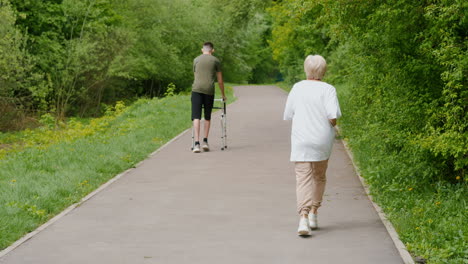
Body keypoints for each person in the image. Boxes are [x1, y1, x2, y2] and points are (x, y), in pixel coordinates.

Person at [283, 55, 342, 236]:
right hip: (321, 139)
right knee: (319, 176)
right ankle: (314, 214)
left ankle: (303, 218)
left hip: (302, 138)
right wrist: (329, 126)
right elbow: (333, 117)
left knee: (303, 178)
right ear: (323, 71)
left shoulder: (297, 87)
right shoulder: (328, 89)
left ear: (306, 69)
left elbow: (289, 114)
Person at [191, 42, 226, 153]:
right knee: (207, 116)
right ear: (212, 50)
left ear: (202, 50)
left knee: (196, 116)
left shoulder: (196, 60)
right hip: (209, 90)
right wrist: (223, 94)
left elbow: (195, 76)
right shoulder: (216, 61)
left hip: (196, 90)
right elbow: (220, 81)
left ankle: (196, 144)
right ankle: (205, 141)